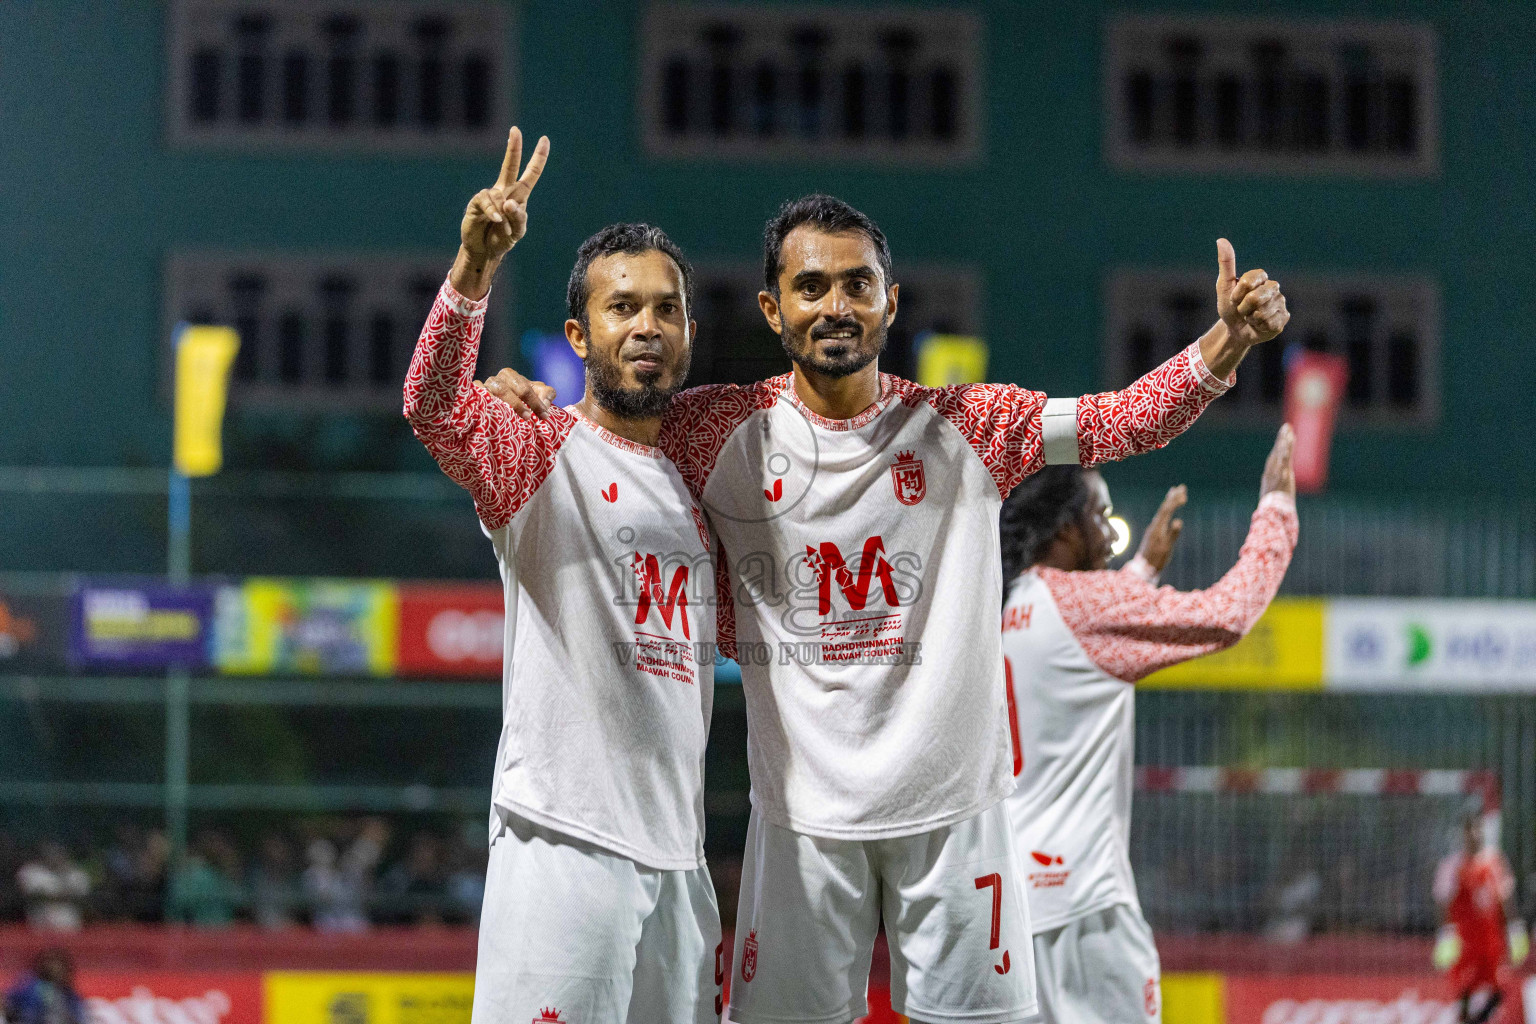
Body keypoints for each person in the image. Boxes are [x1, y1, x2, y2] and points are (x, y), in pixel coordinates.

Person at [487, 192, 1289, 1024]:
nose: (836, 305)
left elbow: (1122, 423)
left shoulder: (969, 426)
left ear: (889, 300)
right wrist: (520, 399)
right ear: (773, 309)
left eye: (857, 285)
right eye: (811, 287)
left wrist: (1223, 342)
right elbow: (611, 416)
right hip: (801, 825)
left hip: (955, 820)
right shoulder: (717, 428)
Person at [404, 127, 722, 1023]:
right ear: (581, 335)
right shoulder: (538, 451)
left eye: (666, 308)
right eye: (624, 308)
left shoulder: (703, 481)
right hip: (566, 844)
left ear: (690, 331)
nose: (648, 325)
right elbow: (432, 409)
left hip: (680, 861)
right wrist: (473, 270)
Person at [996, 425, 1298, 1024]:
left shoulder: (1008, 605)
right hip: (1083, 910)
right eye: (1098, 515)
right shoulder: (1085, 605)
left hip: (1008, 912)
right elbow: (1229, 615)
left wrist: (1142, 570)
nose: (1108, 532)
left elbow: (1078, 647)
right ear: (1064, 529)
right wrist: (1278, 509)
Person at [1433, 815, 1530, 1024]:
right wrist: (1445, 934)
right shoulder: (1453, 865)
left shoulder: (1495, 861)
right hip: (1466, 942)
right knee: (1465, 990)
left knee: (1500, 989)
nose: (1474, 835)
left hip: (1491, 940)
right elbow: (1443, 901)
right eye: (1469, 831)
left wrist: (1514, 929)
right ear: (1463, 835)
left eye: (1477, 830)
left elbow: (1506, 898)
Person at [16, 843, 90, 932]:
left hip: (69, 925)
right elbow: (33, 896)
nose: (54, 856)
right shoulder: (31, 871)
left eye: (58, 853)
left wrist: (54, 895)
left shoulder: (76, 873)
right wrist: (63, 895)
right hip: (40, 924)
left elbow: (82, 897)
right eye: (50, 853)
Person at [2, 948, 86, 1024]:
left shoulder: (69, 993)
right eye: (51, 962)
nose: (55, 968)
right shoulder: (26, 986)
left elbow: (78, 1016)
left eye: (58, 964)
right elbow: (7, 1003)